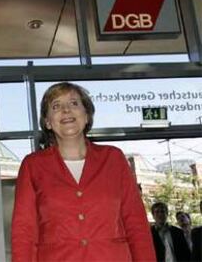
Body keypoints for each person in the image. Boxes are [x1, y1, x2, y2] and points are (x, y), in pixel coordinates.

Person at [11, 82, 156, 261]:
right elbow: (24, 233)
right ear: (47, 122)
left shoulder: (114, 159)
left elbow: (137, 225)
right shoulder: (32, 166)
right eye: (56, 106)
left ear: (86, 115)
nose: (66, 110)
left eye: (74, 103)